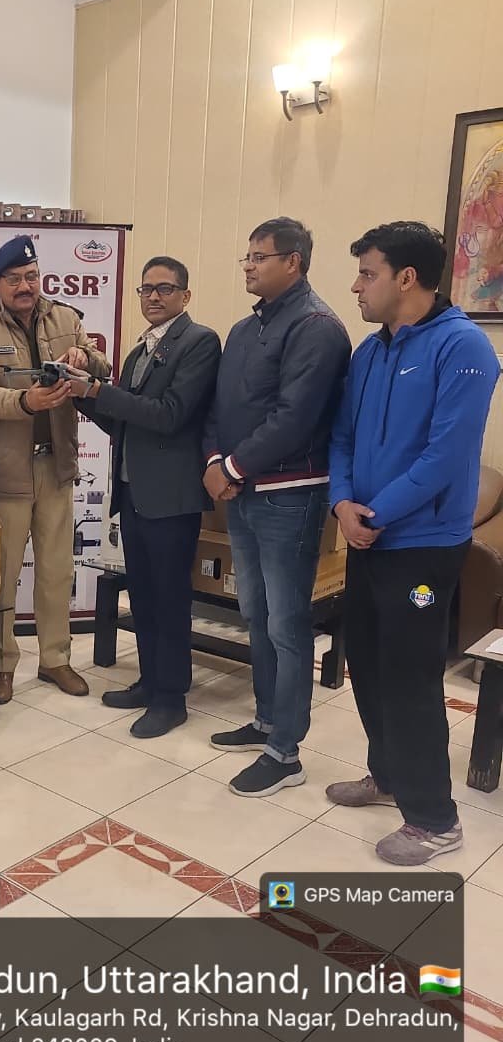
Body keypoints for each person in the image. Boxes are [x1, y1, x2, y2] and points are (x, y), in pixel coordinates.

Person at [327, 221, 498, 865]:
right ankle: (388, 776)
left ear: (406, 278)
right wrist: (343, 503)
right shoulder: (369, 352)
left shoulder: (464, 348)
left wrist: (375, 513)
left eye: (367, 273)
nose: (356, 286)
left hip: (422, 545)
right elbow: (342, 437)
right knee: (368, 664)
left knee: (412, 677)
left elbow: (445, 457)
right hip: (366, 536)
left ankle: (435, 820)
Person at [203, 217, 351, 798]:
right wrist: (215, 460)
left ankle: (286, 751)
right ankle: (266, 719)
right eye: (246, 255)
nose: (248, 265)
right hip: (242, 491)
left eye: (259, 256)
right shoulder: (245, 328)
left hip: (290, 495)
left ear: (294, 262)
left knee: (288, 625)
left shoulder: (318, 327)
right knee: (255, 613)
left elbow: (295, 417)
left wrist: (233, 468)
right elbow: (218, 407)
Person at [0, 235, 112, 704]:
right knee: (2, 576)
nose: (25, 286)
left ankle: (55, 659)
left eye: (31, 276)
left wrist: (85, 358)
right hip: (6, 472)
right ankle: (1, 664)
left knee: (56, 569)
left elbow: (103, 367)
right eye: (14, 279)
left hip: (57, 466)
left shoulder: (66, 318)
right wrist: (25, 401)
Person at [76, 256, 220, 737]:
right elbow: (125, 423)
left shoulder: (199, 342)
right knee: (142, 596)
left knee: (170, 600)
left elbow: (169, 415)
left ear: (185, 295)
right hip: (134, 492)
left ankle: (171, 698)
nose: (153, 297)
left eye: (164, 288)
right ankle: (150, 681)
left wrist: (99, 389)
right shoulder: (138, 352)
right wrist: (81, 396)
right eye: (146, 289)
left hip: (172, 496)